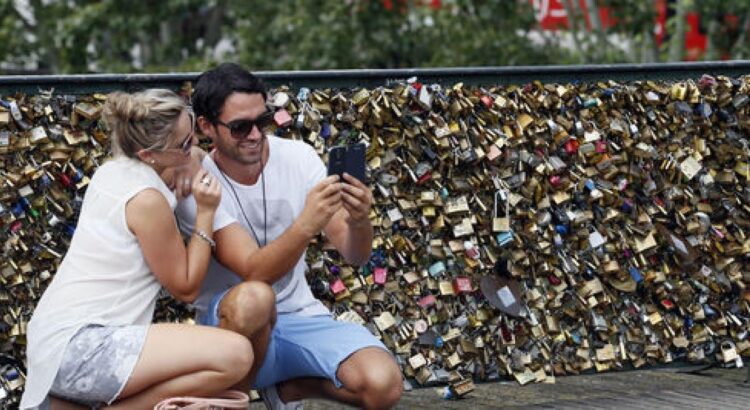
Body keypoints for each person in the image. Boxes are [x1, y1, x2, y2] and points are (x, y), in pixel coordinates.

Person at [174, 63, 403, 409]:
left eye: (262, 121)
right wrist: (306, 225)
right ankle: (228, 402)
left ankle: (288, 389)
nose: (254, 135)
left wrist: (359, 220)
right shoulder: (197, 183)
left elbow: (355, 255)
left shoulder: (298, 156)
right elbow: (254, 271)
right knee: (254, 298)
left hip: (299, 317)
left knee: (382, 385)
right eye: (240, 127)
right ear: (206, 127)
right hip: (229, 326)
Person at [20, 89, 259, 409]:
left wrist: (188, 159)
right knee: (236, 356)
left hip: (52, 340)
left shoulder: (113, 170)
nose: (196, 148)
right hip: (85, 348)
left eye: (193, 135)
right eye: (185, 144)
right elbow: (186, 287)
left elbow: (183, 160)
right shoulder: (147, 200)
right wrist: (205, 213)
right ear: (149, 154)